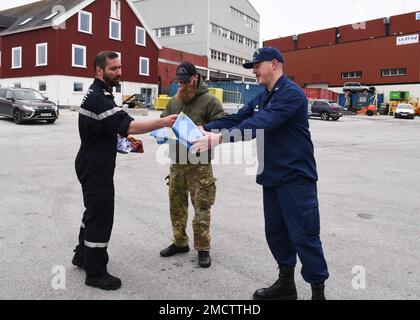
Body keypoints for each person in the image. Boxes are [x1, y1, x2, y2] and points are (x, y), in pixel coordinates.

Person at [191, 47, 329, 300]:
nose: (254, 71)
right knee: (276, 233)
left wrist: (218, 139)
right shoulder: (263, 96)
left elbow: (260, 125)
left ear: (274, 64)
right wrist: (204, 127)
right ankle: (286, 285)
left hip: (296, 178)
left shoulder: (291, 95)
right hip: (272, 176)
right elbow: (238, 118)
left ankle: (317, 293)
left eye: (257, 65)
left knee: (304, 235)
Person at [72, 51, 177, 290]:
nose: (118, 72)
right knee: (101, 216)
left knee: (93, 211)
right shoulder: (100, 98)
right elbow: (128, 124)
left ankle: (82, 255)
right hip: (95, 166)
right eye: (113, 69)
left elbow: (106, 128)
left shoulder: (102, 92)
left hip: (92, 160)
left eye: (119, 67)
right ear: (99, 71)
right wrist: (163, 122)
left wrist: (122, 142)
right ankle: (95, 272)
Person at [159, 62, 225, 268]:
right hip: (177, 162)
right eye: (179, 82)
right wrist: (161, 130)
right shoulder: (174, 101)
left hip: (200, 165)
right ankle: (180, 242)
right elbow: (163, 122)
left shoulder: (210, 101)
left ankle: (203, 248)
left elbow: (223, 125)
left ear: (195, 78)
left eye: (186, 81)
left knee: (202, 207)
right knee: (176, 205)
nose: (183, 85)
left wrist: (202, 128)